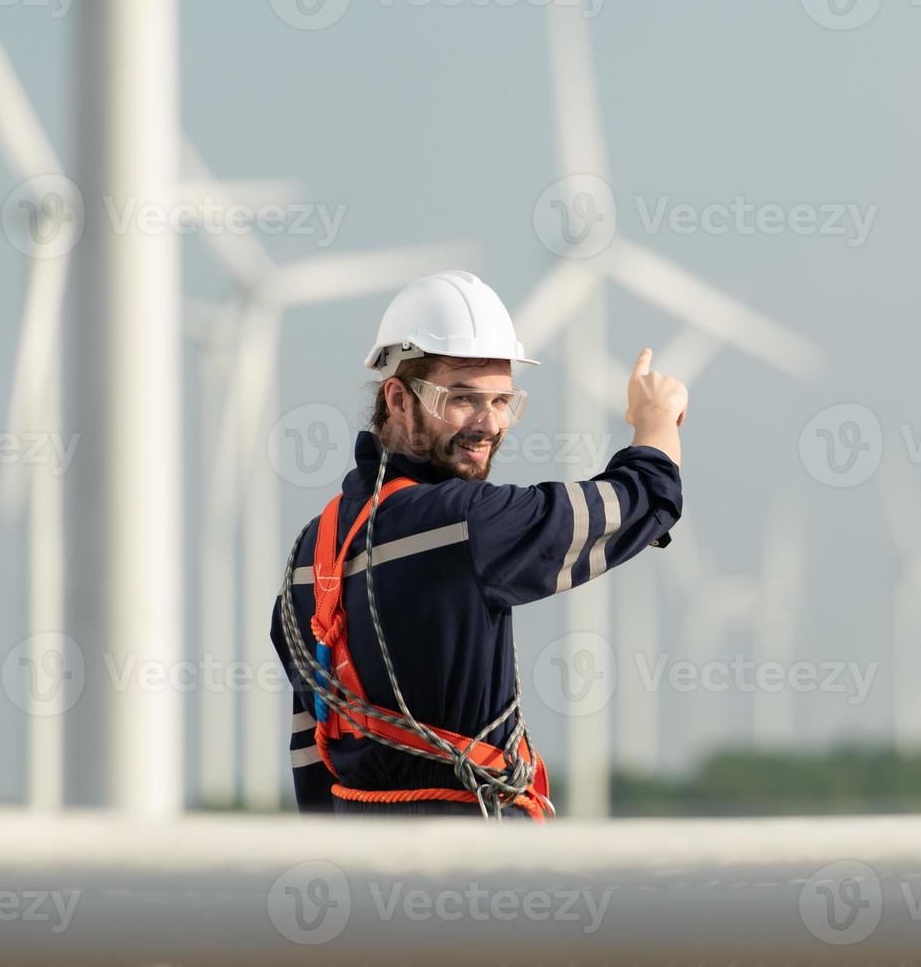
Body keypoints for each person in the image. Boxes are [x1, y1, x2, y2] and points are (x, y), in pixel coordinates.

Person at [269, 270, 686, 819]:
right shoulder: (463, 523)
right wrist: (655, 423)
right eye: (463, 399)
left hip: (361, 868)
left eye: (503, 401)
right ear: (397, 398)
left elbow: (313, 743)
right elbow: (639, 501)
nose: (490, 423)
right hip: (474, 865)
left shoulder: (309, 555)